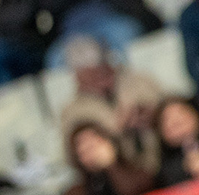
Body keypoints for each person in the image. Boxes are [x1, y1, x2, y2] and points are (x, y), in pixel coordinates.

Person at [59, 36, 164, 177]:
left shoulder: (141, 82)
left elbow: (175, 111)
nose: (98, 73)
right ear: (77, 75)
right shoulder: (72, 112)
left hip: (162, 162)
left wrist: (155, 117)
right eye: (89, 71)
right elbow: (72, 159)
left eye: (101, 65)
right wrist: (113, 132)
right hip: (116, 180)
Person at [61, 121, 155, 195]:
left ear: (110, 143)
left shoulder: (139, 173)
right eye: (85, 149)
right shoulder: (75, 194)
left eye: (95, 145)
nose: (93, 152)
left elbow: (134, 193)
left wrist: (110, 165)